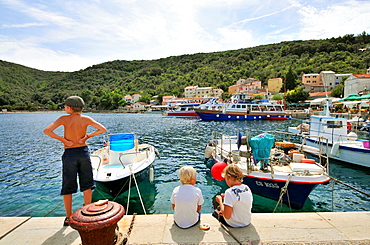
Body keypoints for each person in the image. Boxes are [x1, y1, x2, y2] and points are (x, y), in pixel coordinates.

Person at [43, 96, 107, 226]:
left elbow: (47, 131)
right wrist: (87, 137)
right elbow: (102, 129)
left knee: (68, 185)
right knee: (87, 184)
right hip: (83, 152)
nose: (64, 108)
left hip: (70, 153)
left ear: (70, 108)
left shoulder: (63, 119)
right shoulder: (86, 119)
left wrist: (64, 140)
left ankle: (68, 217)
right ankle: (87, 213)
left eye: (65, 106)